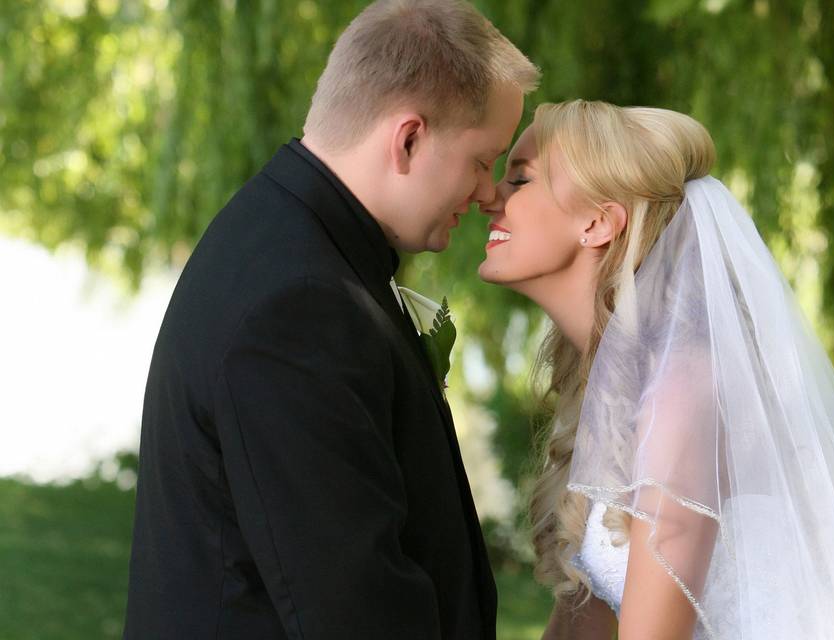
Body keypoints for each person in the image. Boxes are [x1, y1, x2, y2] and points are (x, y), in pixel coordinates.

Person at [123, 1, 539, 638]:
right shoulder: (302, 304)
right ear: (408, 139)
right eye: (483, 161)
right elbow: (355, 609)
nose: (489, 195)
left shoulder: (287, 239)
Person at [479, 100, 834, 639]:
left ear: (598, 222)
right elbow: (581, 618)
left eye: (519, 179)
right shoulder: (605, 389)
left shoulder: (679, 390)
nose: (491, 196)